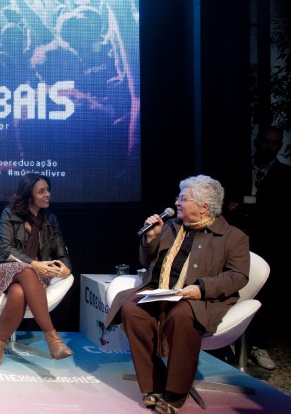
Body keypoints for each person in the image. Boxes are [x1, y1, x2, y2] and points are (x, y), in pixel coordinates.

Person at [105, 175, 250, 413]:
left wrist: (201, 288)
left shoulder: (233, 237)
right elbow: (148, 262)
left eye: (184, 198)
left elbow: (238, 276)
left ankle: (176, 391)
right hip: (161, 291)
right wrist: (150, 239)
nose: (177, 202)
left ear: (204, 208)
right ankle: (154, 383)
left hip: (199, 298)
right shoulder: (171, 228)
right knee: (132, 308)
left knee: (182, 315)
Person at [0, 173, 74, 367]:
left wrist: (67, 270)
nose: (47, 194)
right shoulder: (9, 214)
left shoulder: (51, 220)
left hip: (31, 279)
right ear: (28, 194)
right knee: (26, 270)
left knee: (19, 292)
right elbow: (6, 249)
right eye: (41, 191)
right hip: (0, 270)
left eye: (48, 190)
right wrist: (34, 263)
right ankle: (52, 338)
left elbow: (62, 254)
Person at [224, 125, 291, 371]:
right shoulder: (236, 169)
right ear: (258, 142)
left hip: (268, 244)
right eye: (266, 141)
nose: (269, 146)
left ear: (279, 146)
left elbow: (284, 215)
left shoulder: (287, 176)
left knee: (265, 294)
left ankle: (257, 345)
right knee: (227, 287)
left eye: (274, 143)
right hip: (235, 240)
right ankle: (224, 343)